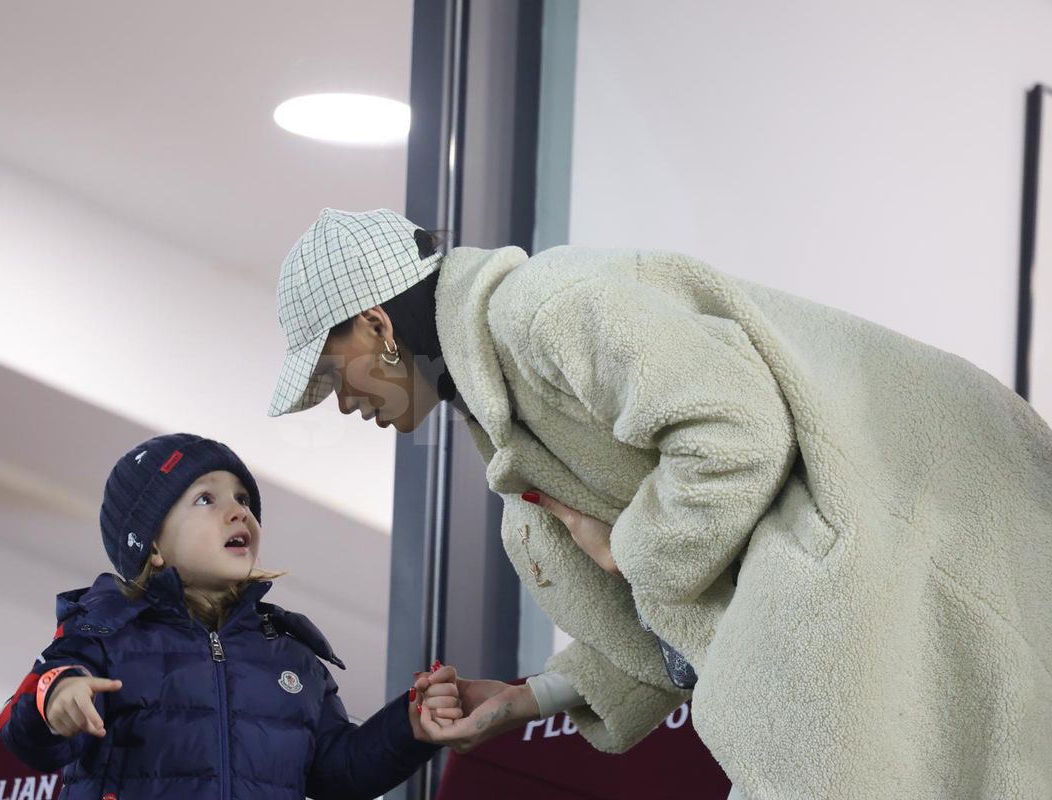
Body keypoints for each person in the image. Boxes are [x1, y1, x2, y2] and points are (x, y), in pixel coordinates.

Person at [269, 208, 1052, 799]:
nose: (343, 405)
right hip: (866, 577)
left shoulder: (544, 309)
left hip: (923, 520)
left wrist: (630, 550)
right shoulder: (517, 459)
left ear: (378, 327)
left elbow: (736, 431)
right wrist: (520, 700)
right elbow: (660, 639)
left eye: (335, 377)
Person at [0, 432, 460, 800]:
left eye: (242, 498)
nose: (238, 511)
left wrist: (410, 725)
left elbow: (338, 773)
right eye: (206, 499)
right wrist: (55, 697)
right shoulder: (105, 633)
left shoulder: (291, 656)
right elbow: (26, 728)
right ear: (152, 546)